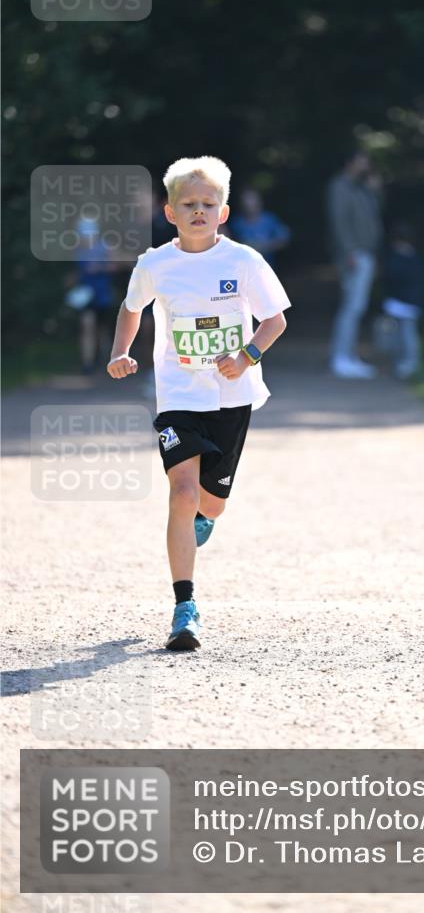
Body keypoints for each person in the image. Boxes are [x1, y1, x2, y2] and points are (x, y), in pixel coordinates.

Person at [106, 156, 291, 652]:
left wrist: (247, 356)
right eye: (188, 204)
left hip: (232, 397)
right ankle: (184, 606)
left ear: (224, 211)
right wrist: (121, 352)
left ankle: (206, 519)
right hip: (179, 395)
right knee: (182, 492)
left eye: (208, 204)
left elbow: (274, 322)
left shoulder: (244, 261)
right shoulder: (155, 264)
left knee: (211, 503)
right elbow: (131, 309)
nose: (198, 211)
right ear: (170, 213)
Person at [327, 150, 383, 379]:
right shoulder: (339, 186)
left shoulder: (362, 188)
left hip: (366, 253)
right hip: (354, 255)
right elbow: (338, 220)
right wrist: (349, 251)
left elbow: (376, 214)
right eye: (361, 163)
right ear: (350, 163)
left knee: (357, 307)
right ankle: (341, 358)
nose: (365, 167)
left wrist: (375, 191)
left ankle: (349, 356)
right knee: (352, 307)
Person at [68, 216, 118, 376]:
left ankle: (104, 360)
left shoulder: (105, 247)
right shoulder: (78, 250)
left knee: (101, 330)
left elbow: (117, 265)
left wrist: (100, 267)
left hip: (103, 294)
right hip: (86, 296)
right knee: (87, 326)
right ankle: (87, 363)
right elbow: (79, 271)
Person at [382, 221, 424, 379]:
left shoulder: (398, 259)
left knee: (405, 335)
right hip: (403, 303)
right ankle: (403, 363)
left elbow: (390, 278)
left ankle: (408, 363)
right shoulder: (413, 258)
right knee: (401, 335)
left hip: (402, 303)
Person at [227, 188, 290, 269]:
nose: (248, 203)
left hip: (269, 269)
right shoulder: (236, 223)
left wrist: (265, 246)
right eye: (245, 199)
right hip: (244, 270)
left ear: (259, 201)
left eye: (251, 199)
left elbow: (284, 239)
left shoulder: (270, 219)